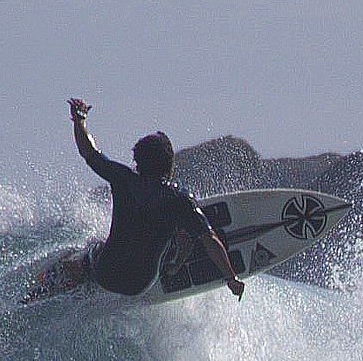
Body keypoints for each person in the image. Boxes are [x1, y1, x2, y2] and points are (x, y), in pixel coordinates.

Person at [61, 97, 243, 299]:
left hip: (107, 274)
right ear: (169, 163)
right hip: (140, 284)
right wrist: (231, 278)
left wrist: (80, 120)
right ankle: (174, 264)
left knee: (92, 249)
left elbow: (88, 151)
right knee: (185, 231)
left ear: (138, 162)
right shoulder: (180, 199)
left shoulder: (123, 179)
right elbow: (210, 239)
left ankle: (71, 282)